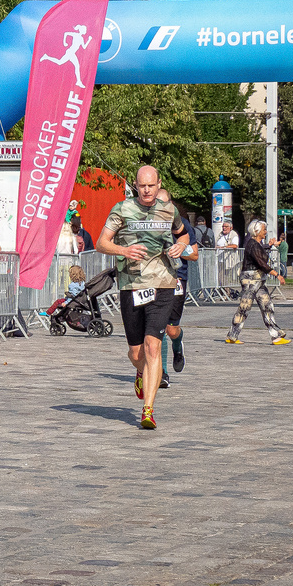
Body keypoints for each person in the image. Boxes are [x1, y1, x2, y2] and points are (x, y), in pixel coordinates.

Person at [96, 165, 190, 431]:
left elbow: (182, 233)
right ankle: (140, 371)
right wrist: (123, 250)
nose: (147, 190)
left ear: (159, 184)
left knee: (152, 347)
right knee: (137, 352)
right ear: (135, 185)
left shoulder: (168, 210)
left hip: (163, 283)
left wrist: (180, 245)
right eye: (142, 186)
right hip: (132, 286)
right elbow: (102, 243)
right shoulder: (122, 209)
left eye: (151, 185)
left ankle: (148, 410)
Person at [227, 219, 289, 346]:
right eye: (264, 230)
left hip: (258, 279)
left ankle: (276, 335)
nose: (266, 232)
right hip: (250, 279)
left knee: (267, 305)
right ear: (256, 231)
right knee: (245, 306)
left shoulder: (257, 244)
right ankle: (232, 335)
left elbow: (262, 251)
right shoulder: (252, 244)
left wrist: (271, 245)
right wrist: (277, 275)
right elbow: (261, 263)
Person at [159, 190, 198, 379]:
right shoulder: (148, 224)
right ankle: (162, 373)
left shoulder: (183, 226)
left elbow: (195, 255)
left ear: (172, 204)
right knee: (158, 326)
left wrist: (176, 250)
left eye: (165, 204)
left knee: (171, 329)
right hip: (154, 279)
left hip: (177, 279)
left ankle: (177, 346)